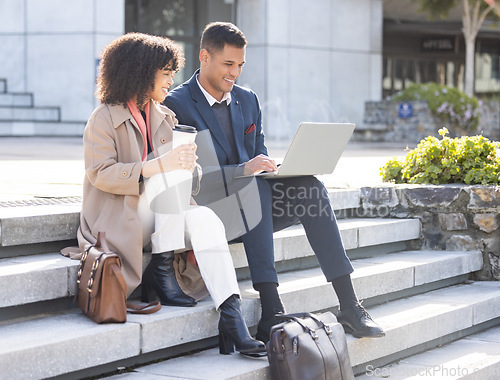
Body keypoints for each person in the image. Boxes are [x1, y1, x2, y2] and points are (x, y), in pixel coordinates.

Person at [164, 22, 385, 342]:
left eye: (240, 65)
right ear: (204, 57)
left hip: (255, 207)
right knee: (252, 186)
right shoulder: (178, 104)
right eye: (228, 64)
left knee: (309, 187)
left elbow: (259, 159)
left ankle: (350, 305)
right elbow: (193, 181)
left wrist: (279, 169)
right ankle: (271, 309)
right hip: (210, 213)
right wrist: (245, 170)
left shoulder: (247, 100)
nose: (235, 73)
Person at [76, 32, 265, 356]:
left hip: (164, 218)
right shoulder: (103, 118)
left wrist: (192, 168)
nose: (171, 81)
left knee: (206, 218)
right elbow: (100, 174)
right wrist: (156, 166)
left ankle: (231, 317)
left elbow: (189, 181)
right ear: (141, 72)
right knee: (164, 173)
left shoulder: (166, 117)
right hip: (119, 216)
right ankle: (162, 273)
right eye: (165, 73)